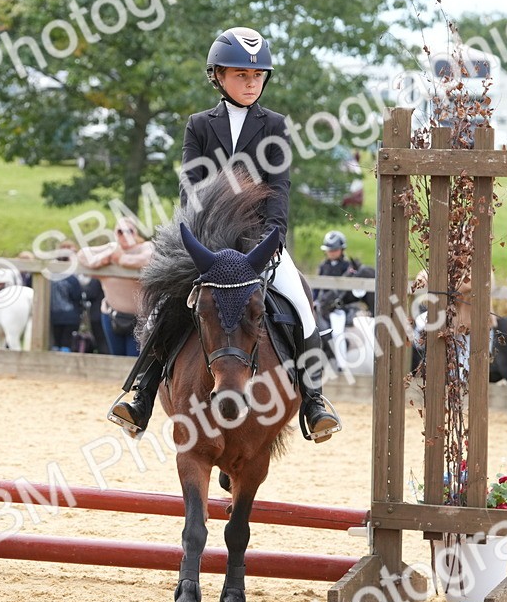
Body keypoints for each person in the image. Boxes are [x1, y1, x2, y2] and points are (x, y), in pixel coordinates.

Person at [108, 26, 341, 443]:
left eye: (257, 76)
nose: (251, 83)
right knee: (165, 305)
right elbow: (191, 186)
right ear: (217, 75)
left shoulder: (275, 125)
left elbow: (279, 186)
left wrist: (274, 236)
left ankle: (314, 399)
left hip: (257, 243)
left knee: (301, 303)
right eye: (241, 75)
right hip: (208, 242)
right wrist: (197, 238)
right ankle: (142, 392)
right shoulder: (199, 125)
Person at [77, 217, 153, 356]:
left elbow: (149, 258)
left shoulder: (145, 247)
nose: (125, 235)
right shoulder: (111, 249)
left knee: (133, 360)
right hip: (111, 316)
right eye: (120, 232)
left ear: (136, 233)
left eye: (129, 231)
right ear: (115, 234)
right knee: (116, 355)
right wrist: (102, 260)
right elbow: (82, 255)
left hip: (138, 318)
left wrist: (121, 260)